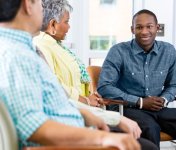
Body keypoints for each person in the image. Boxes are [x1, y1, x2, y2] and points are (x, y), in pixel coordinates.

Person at [0, 0, 141, 149]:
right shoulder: (16, 55)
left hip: (76, 129)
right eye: (40, 5)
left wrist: (86, 114)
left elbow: (53, 100)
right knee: (141, 145)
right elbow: (32, 126)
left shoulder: (21, 49)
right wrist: (101, 138)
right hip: (64, 143)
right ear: (28, 4)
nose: (43, 13)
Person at [33, 1, 159, 150]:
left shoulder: (56, 45)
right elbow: (57, 88)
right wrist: (86, 100)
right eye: (67, 22)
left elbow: (72, 83)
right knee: (144, 143)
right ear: (53, 24)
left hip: (86, 110)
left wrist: (91, 96)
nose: (69, 26)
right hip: (76, 116)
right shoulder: (42, 45)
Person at [97, 9, 176, 150]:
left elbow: (173, 84)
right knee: (151, 129)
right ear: (132, 29)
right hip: (127, 108)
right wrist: (140, 102)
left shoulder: (168, 51)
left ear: (157, 28)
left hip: (157, 107)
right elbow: (104, 87)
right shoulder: (118, 51)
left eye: (149, 26)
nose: (144, 31)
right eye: (139, 27)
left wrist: (163, 99)